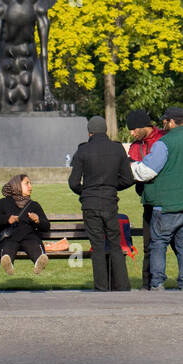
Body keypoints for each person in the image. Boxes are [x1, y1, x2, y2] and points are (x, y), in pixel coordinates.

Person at [130, 107, 183, 291]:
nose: (163, 124)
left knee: (158, 244)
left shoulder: (164, 143)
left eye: (165, 121)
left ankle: (157, 283)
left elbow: (147, 171)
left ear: (171, 122)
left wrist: (130, 167)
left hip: (166, 204)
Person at [68, 115, 134, 292]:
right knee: (115, 243)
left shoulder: (83, 150)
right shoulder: (118, 149)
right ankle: (122, 285)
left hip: (90, 204)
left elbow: (73, 182)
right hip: (110, 202)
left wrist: (86, 192)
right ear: (105, 130)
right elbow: (128, 179)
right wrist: (112, 187)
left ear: (90, 132)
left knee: (97, 245)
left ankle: (101, 287)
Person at [125, 108, 165, 289]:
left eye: (133, 130)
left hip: (165, 199)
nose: (132, 134)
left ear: (143, 126)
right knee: (148, 245)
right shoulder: (135, 146)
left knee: (176, 244)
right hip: (148, 200)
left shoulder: (162, 139)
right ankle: (147, 283)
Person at [0, 175, 51, 276]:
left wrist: (38, 220)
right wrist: (7, 219)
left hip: (29, 236)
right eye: (27, 183)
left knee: (33, 244)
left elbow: (47, 226)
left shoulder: (34, 205)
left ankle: (39, 261)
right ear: (17, 186)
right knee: (8, 245)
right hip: (10, 236)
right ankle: (8, 262)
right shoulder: (3, 203)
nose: (30, 187)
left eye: (30, 184)